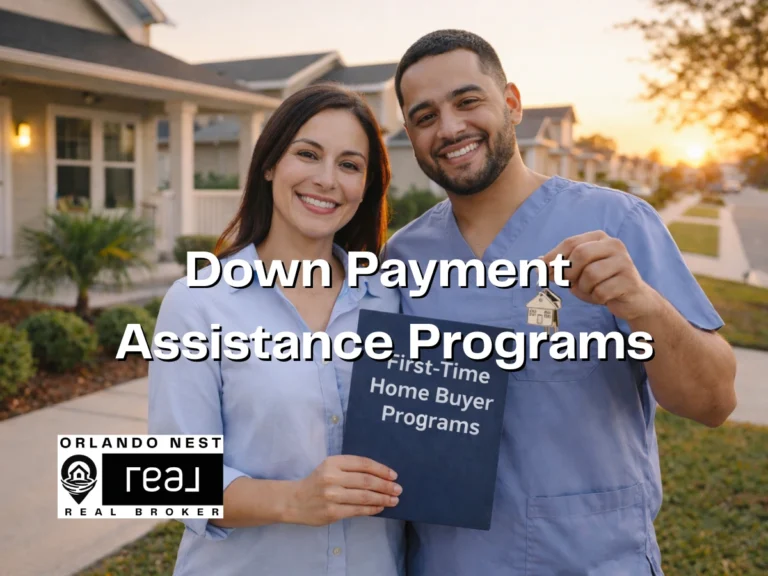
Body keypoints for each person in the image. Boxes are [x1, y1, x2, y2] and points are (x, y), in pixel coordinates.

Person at [384, 29, 738, 576]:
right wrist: (262, 499)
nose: (450, 128)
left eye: (467, 101)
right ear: (409, 133)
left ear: (512, 103)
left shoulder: (617, 225)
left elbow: (714, 402)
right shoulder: (401, 259)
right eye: (425, 116)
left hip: (595, 560)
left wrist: (642, 304)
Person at [148, 83, 406, 576]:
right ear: (269, 165)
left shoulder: (392, 300)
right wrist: (294, 500)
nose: (327, 179)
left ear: (367, 187)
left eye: (350, 165)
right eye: (307, 154)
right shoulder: (198, 302)